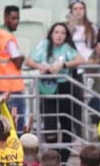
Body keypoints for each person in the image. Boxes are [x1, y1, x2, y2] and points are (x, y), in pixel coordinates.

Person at [25, 23, 85, 151]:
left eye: (63, 33)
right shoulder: (44, 45)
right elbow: (28, 61)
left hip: (64, 87)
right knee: (49, 126)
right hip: (47, 88)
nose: (59, 35)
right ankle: (53, 156)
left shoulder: (66, 47)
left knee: (66, 126)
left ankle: (63, 160)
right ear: (51, 34)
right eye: (56, 32)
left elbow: (80, 60)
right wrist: (39, 66)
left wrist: (63, 65)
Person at [0, 7, 27, 133]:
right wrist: (23, 57)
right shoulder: (8, 38)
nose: (16, 22)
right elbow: (17, 62)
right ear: (5, 17)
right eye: (13, 18)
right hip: (12, 88)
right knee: (16, 126)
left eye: (18, 18)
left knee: (1, 126)